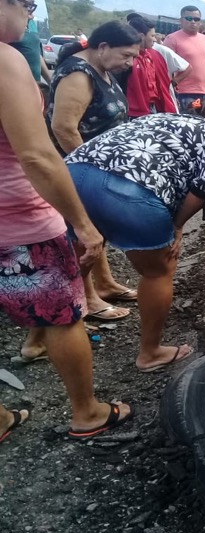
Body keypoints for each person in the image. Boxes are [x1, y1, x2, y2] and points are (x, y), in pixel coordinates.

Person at [0, 0, 133, 440]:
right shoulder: (5, 59)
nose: (29, 13)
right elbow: (38, 155)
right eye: (28, 3)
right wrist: (83, 222)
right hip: (18, 220)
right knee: (63, 315)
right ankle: (87, 413)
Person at [65, 101, 205, 372]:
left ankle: (42, 337)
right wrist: (177, 225)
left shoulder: (169, 119)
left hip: (73, 174)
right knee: (159, 271)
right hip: (129, 189)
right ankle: (150, 352)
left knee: (75, 251)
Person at [42, 20, 141, 330]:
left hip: (94, 165)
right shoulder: (78, 74)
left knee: (96, 229)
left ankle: (106, 283)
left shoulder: (101, 69)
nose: (130, 63)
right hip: (77, 168)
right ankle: (85, 299)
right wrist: (92, 167)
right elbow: (63, 127)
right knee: (82, 236)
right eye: (126, 55)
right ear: (102, 47)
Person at [163, 5, 205, 111]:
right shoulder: (172, 39)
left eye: (196, 19)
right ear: (181, 20)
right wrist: (169, 92)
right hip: (184, 95)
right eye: (189, 18)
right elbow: (165, 69)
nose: (193, 22)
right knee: (189, 121)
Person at [119, 14, 177, 117]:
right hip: (132, 113)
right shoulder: (127, 60)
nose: (155, 39)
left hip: (150, 110)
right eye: (152, 36)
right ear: (141, 36)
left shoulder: (149, 56)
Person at [152, 32, 190, 113]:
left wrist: (172, 83)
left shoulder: (160, 50)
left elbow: (187, 68)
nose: (154, 39)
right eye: (152, 36)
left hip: (164, 100)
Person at [9, 12, 49, 84]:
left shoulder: (32, 26)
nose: (32, 16)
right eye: (26, 6)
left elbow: (36, 54)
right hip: (18, 85)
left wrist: (50, 81)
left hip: (35, 85)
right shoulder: (9, 32)